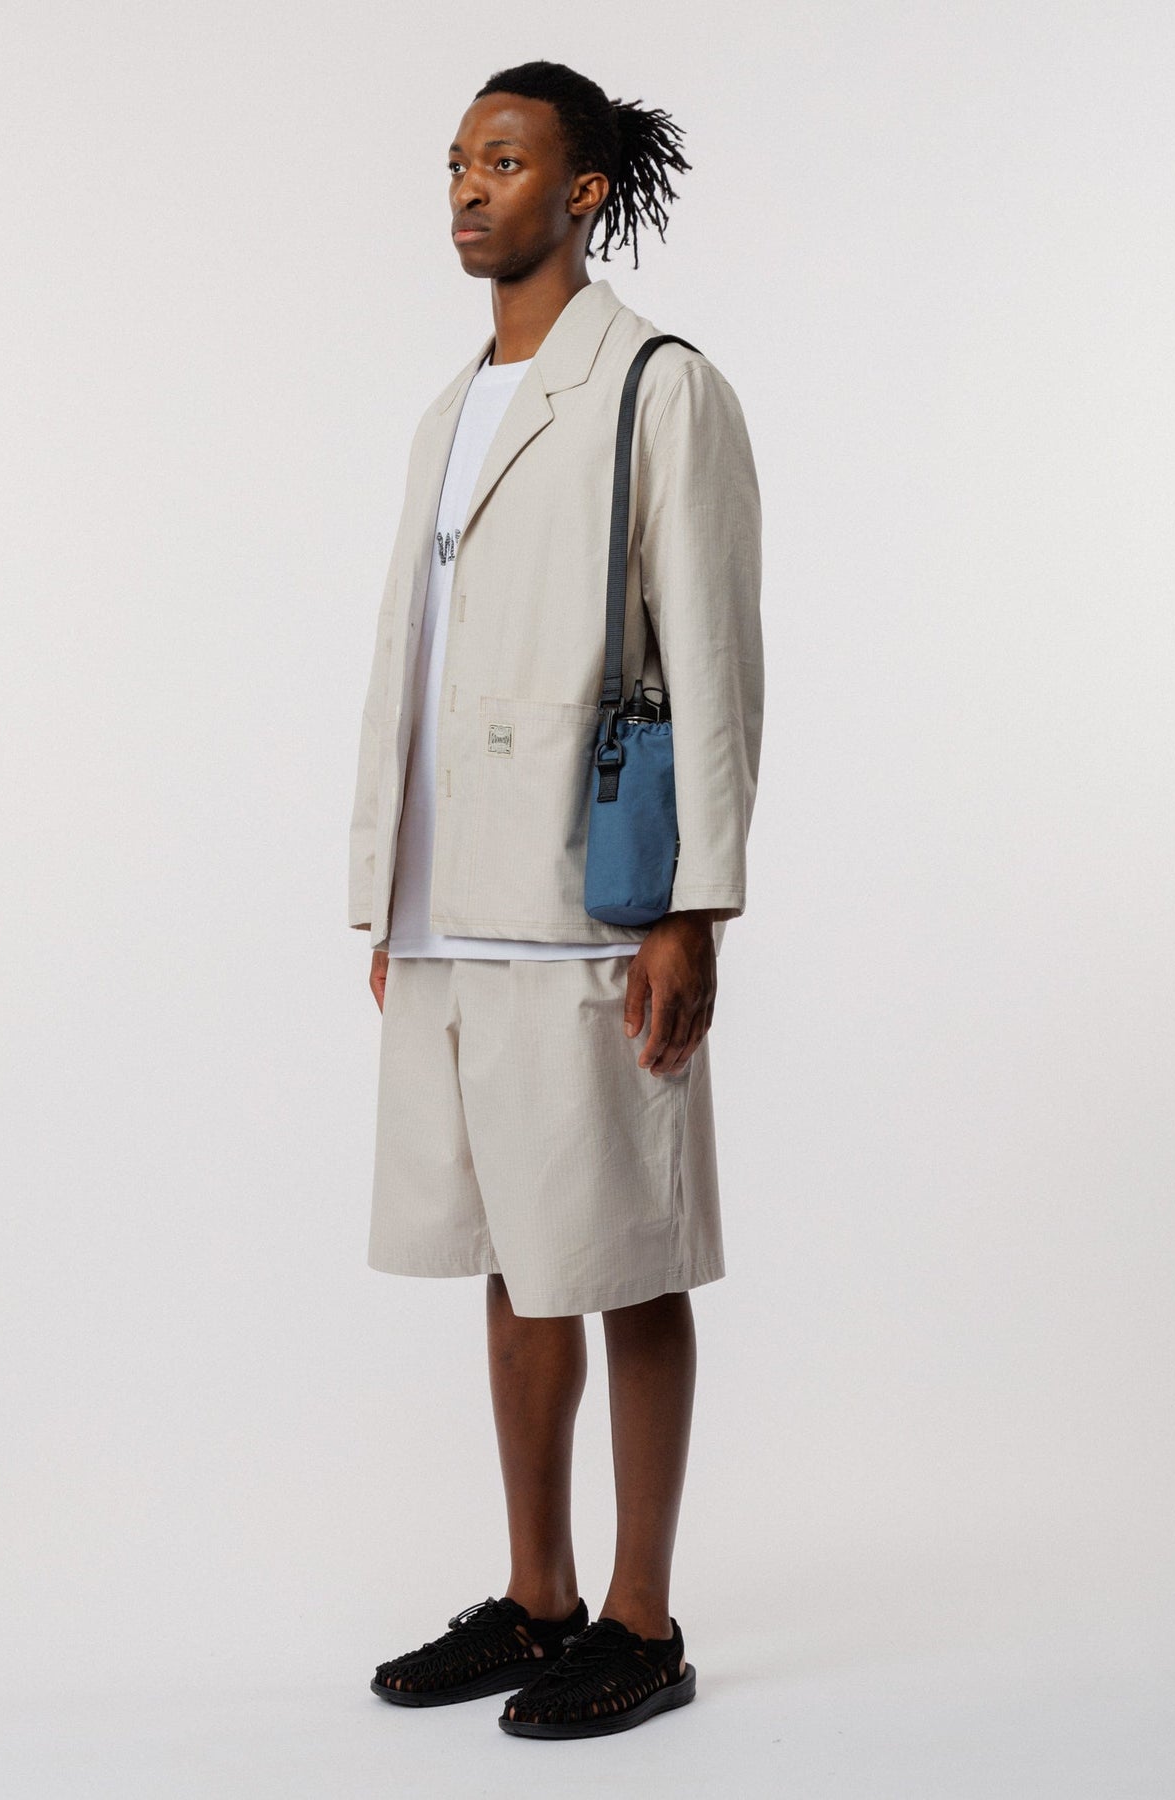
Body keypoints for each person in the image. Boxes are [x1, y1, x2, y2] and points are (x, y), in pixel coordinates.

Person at [346, 58, 763, 1739]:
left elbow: (714, 661)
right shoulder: (448, 413)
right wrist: (387, 890)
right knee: (514, 1256)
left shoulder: (659, 387)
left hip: (592, 899)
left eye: (505, 161)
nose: (469, 187)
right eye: (457, 161)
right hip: (454, 903)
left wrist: (694, 907)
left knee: (629, 1250)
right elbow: (414, 660)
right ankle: (540, 1599)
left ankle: (643, 1624)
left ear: (582, 191)